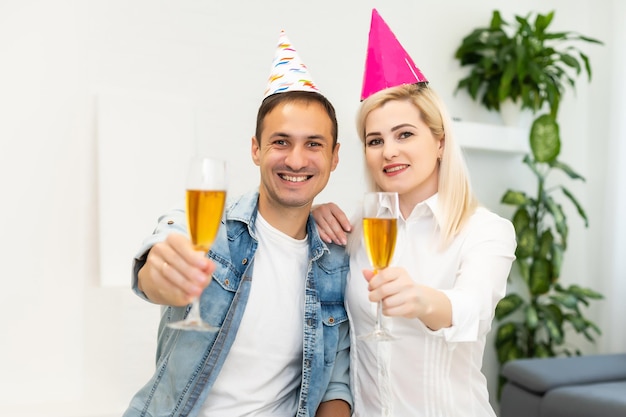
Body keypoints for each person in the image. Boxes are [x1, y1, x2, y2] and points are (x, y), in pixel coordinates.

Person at [123, 30, 352, 417]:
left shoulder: (337, 260)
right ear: (255, 149)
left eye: (313, 144)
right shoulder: (207, 227)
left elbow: (335, 384)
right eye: (281, 142)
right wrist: (161, 270)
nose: (296, 160)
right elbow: (160, 256)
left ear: (334, 157)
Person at [312, 9, 516, 417]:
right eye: (375, 140)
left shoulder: (486, 231)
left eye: (405, 134)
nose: (389, 151)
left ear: (439, 141)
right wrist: (312, 211)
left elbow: (472, 309)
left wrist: (421, 299)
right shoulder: (362, 222)